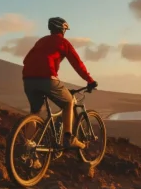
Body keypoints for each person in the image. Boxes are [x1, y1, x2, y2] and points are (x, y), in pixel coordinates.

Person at [22, 17, 98, 149]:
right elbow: (77, 64)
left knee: (34, 113)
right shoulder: (63, 42)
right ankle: (68, 137)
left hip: (28, 79)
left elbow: (26, 60)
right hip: (47, 78)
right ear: (63, 29)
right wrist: (89, 80)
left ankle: (27, 147)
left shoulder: (41, 41)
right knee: (68, 101)